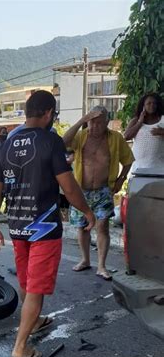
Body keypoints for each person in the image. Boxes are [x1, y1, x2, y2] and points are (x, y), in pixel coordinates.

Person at [0, 90, 96, 357]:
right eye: (54, 114)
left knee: (26, 281)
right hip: (44, 228)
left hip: (17, 226)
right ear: (48, 113)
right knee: (35, 288)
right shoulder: (51, 141)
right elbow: (68, 187)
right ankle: (21, 347)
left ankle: (33, 324)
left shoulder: (6, 144)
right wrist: (86, 210)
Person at [63, 106, 134, 280]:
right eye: (92, 122)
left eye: (99, 122)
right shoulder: (81, 136)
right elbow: (64, 142)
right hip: (81, 190)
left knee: (102, 226)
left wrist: (120, 179)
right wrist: (81, 121)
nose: (95, 126)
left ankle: (101, 265)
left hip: (104, 189)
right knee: (82, 226)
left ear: (107, 122)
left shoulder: (115, 138)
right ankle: (85, 260)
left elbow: (128, 161)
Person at [123, 92, 164, 174]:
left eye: (154, 103)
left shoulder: (162, 119)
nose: (152, 105)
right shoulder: (135, 120)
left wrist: (162, 132)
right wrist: (140, 122)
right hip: (138, 169)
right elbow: (126, 136)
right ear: (143, 106)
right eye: (148, 103)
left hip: (159, 169)